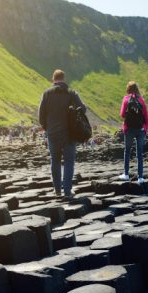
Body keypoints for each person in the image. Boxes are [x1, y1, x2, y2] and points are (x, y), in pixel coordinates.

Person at [38, 69, 86, 198]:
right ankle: (67, 191)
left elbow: (41, 115)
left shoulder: (46, 94)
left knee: (55, 161)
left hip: (52, 133)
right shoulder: (71, 93)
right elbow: (83, 109)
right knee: (69, 162)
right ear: (64, 79)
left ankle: (57, 190)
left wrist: (47, 127)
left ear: (53, 79)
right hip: (69, 134)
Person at [119, 81, 148, 183]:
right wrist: (144, 129)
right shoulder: (141, 100)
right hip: (140, 130)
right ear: (137, 89)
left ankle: (126, 174)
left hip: (129, 130)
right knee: (139, 154)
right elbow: (146, 117)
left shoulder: (126, 99)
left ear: (128, 89)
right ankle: (140, 177)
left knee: (127, 151)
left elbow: (122, 114)